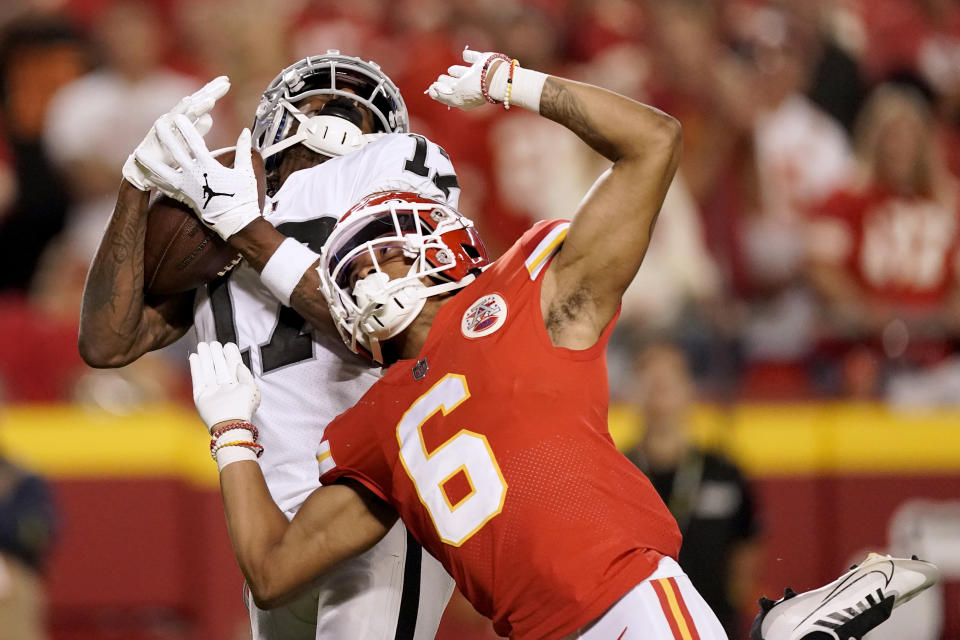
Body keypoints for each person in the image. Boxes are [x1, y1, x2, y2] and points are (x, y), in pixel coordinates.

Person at [179, 49, 939, 640]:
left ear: (442, 245)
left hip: (626, 589)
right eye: (352, 265)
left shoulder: (523, 298)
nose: (369, 272)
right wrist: (232, 436)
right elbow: (273, 573)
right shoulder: (370, 428)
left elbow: (654, 142)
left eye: (386, 249)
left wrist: (516, 84)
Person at [78, 51, 458, 640]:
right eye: (318, 103)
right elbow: (107, 342)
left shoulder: (385, 172)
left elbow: (380, 330)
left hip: (373, 501)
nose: (331, 116)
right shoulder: (216, 199)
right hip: (270, 519)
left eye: (347, 109)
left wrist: (244, 227)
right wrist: (136, 186)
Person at [627, 343, 761, 637]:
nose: (660, 387)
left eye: (670, 378)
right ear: (632, 393)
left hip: (713, 621)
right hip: (640, 627)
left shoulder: (723, 471)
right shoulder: (616, 472)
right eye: (650, 379)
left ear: (689, 390)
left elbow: (746, 546)